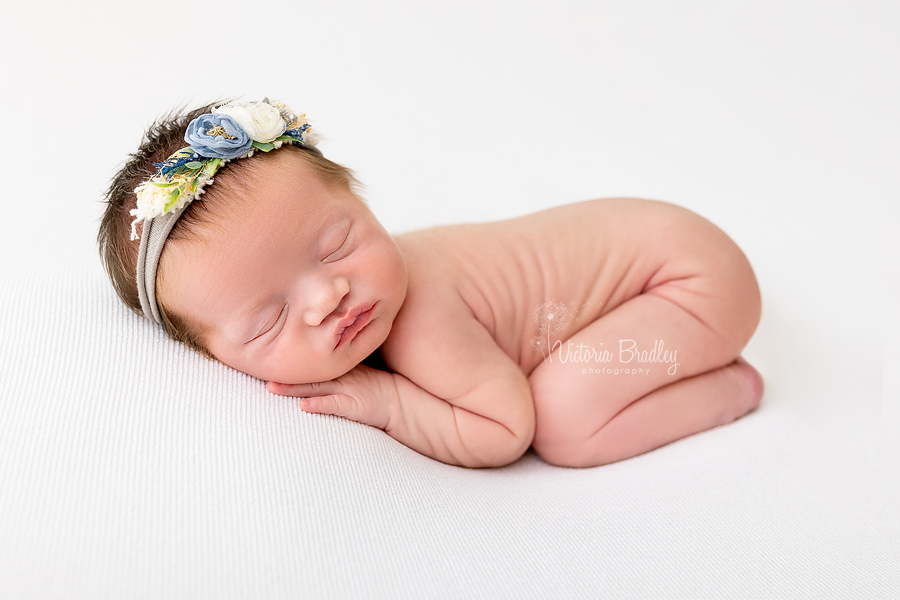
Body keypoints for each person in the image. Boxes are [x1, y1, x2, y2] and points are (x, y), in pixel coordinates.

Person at [98, 97, 764, 469]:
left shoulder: (422, 317)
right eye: (270, 319)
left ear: (363, 203)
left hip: (687, 283)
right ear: (216, 356)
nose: (329, 297)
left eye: (337, 245)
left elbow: (503, 429)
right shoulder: (363, 295)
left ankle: (731, 386)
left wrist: (389, 403)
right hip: (665, 253)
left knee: (562, 424)